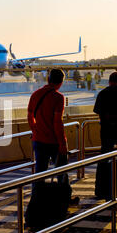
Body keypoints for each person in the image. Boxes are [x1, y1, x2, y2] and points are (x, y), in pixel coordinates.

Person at [27, 68, 79, 205]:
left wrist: (35, 129)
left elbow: (30, 115)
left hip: (38, 140)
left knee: (39, 172)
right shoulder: (58, 97)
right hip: (54, 141)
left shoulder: (35, 94)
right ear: (61, 82)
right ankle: (65, 199)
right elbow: (57, 122)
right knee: (62, 171)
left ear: (48, 79)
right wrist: (63, 143)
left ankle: (36, 201)